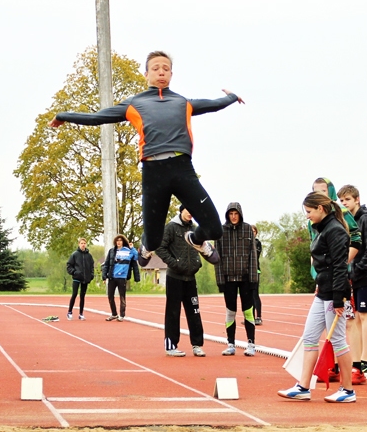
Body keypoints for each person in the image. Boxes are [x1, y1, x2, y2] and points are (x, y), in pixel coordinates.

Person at [48, 50, 243, 266]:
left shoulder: (182, 102)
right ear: (146, 74)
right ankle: (146, 246)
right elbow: (97, 117)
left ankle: (195, 240)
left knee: (214, 229)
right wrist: (62, 116)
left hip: (182, 169)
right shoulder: (134, 104)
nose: (161, 72)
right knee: (154, 239)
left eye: (166, 69)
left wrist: (231, 97)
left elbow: (214, 104)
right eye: (156, 68)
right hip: (154, 173)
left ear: (171, 74)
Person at [278, 192, 355, 403]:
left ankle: (348, 390)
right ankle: (303, 386)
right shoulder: (321, 229)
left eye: (309, 212)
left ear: (321, 209)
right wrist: (319, 284)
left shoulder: (336, 231)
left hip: (334, 295)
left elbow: (340, 266)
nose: (307, 216)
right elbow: (323, 264)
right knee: (310, 337)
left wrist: (339, 299)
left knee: (338, 340)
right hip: (323, 292)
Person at [310, 177, 361, 381]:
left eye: (323, 190)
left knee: (344, 326)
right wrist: (318, 276)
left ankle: (352, 370)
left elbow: (356, 238)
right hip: (323, 279)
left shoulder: (342, 215)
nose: (320, 194)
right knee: (318, 331)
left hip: (338, 278)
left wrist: (339, 262)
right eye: (316, 191)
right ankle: (322, 372)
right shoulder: (313, 217)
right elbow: (314, 248)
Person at [338, 184, 367, 384]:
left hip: (365, 274)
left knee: (364, 314)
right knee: (351, 319)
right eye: (341, 200)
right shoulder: (347, 221)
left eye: (347, 199)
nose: (344, 203)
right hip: (351, 275)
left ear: (357, 199)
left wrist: (355, 270)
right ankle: (355, 363)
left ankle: (365, 360)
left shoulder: (366, 218)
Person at [155, 205, 206, 357]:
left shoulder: (196, 229)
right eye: (188, 209)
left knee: (194, 312)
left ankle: (197, 345)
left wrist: (198, 262)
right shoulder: (171, 227)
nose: (190, 213)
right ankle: (171, 346)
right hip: (174, 277)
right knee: (173, 312)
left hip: (190, 277)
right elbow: (159, 247)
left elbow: (201, 246)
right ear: (181, 210)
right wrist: (174, 263)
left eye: (192, 210)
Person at [214, 202, 258, 356]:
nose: (233, 217)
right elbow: (216, 258)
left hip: (245, 278)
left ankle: (251, 344)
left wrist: (253, 279)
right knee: (230, 312)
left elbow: (253, 254)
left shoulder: (247, 229)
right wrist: (220, 280)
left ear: (240, 214)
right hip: (228, 279)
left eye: (236, 214)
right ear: (227, 215)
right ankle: (231, 343)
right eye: (231, 214)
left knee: (248, 311)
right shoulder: (220, 231)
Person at [101, 235, 140, 321]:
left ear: (123, 242)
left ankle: (122, 315)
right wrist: (104, 276)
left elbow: (137, 257)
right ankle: (114, 314)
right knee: (110, 296)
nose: (118, 242)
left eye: (120, 240)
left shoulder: (129, 251)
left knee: (122, 296)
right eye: (117, 240)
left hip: (122, 277)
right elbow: (106, 264)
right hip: (112, 277)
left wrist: (132, 248)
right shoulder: (112, 251)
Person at [66, 238, 94, 320]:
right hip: (76, 278)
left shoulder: (89, 256)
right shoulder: (75, 254)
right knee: (74, 294)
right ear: (79, 244)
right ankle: (69, 312)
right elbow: (69, 265)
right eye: (81, 243)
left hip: (85, 279)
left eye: (84, 243)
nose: (83, 244)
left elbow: (92, 266)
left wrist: (91, 275)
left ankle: (81, 313)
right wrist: (74, 272)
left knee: (82, 296)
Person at [252, 225, 263, 326]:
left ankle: (258, 317)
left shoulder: (257, 243)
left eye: (254, 231)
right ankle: (250, 317)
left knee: (255, 294)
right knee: (248, 295)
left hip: (255, 271)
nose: (252, 232)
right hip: (246, 272)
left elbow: (255, 254)